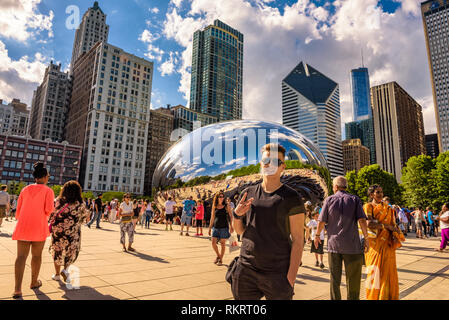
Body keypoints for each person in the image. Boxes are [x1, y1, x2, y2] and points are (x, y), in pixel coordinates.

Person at [231, 143, 305, 300]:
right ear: (261, 164)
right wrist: (236, 215)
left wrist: (290, 279)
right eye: (266, 160)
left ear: (282, 167)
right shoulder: (248, 192)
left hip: (277, 274)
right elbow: (240, 231)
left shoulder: (292, 197)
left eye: (275, 161)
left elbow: (298, 239)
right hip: (246, 270)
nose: (269, 164)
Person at [315, 176, 369, 300]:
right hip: (353, 246)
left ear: (335, 187)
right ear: (346, 186)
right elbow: (361, 220)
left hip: (334, 246)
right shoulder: (355, 199)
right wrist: (366, 238)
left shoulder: (329, 200)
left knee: (334, 279)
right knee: (354, 279)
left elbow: (321, 221)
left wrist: (317, 236)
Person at [12, 162, 55, 299]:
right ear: (45, 177)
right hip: (38, 226)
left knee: (20, 257)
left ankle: (17, 289)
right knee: (36, 256)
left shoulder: (25, 189)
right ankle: (33, 282)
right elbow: (49, 209)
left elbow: (18, 211)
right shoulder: (48, 191)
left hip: (23, 226)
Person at [363, 185, 405, 300]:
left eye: (381, 192)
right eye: (377, 192)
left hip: (387, 245)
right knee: (373, 272)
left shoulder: (388, 208)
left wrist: (395, 233)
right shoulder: (368, 206)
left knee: (388, 272)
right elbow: (369, 224)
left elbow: (393, 225)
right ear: (371, 195)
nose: (380, 194)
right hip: (374, 245)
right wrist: (386, 226)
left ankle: (386, 297)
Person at [49, 181, 89, 285]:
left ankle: (57, 274)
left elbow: (51, 213)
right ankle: (65, 270)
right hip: (72, 232)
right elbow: (84, 217)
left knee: (57, 250)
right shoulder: (80, 203)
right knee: (70, 251)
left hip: (58, 231)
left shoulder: (58, 201)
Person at [208, 193, 233, 265]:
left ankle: (221, 259)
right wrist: (210, 228)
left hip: (224, 227)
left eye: (222, 197)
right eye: (220, 197)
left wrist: (231, 226)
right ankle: (218, 256)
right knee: (213, 243)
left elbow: (231, 216)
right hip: (215, 227)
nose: (222, 198)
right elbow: (212, 217)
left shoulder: (226, 205)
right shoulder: (214, 206)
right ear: (217, 198)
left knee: (222, 244)